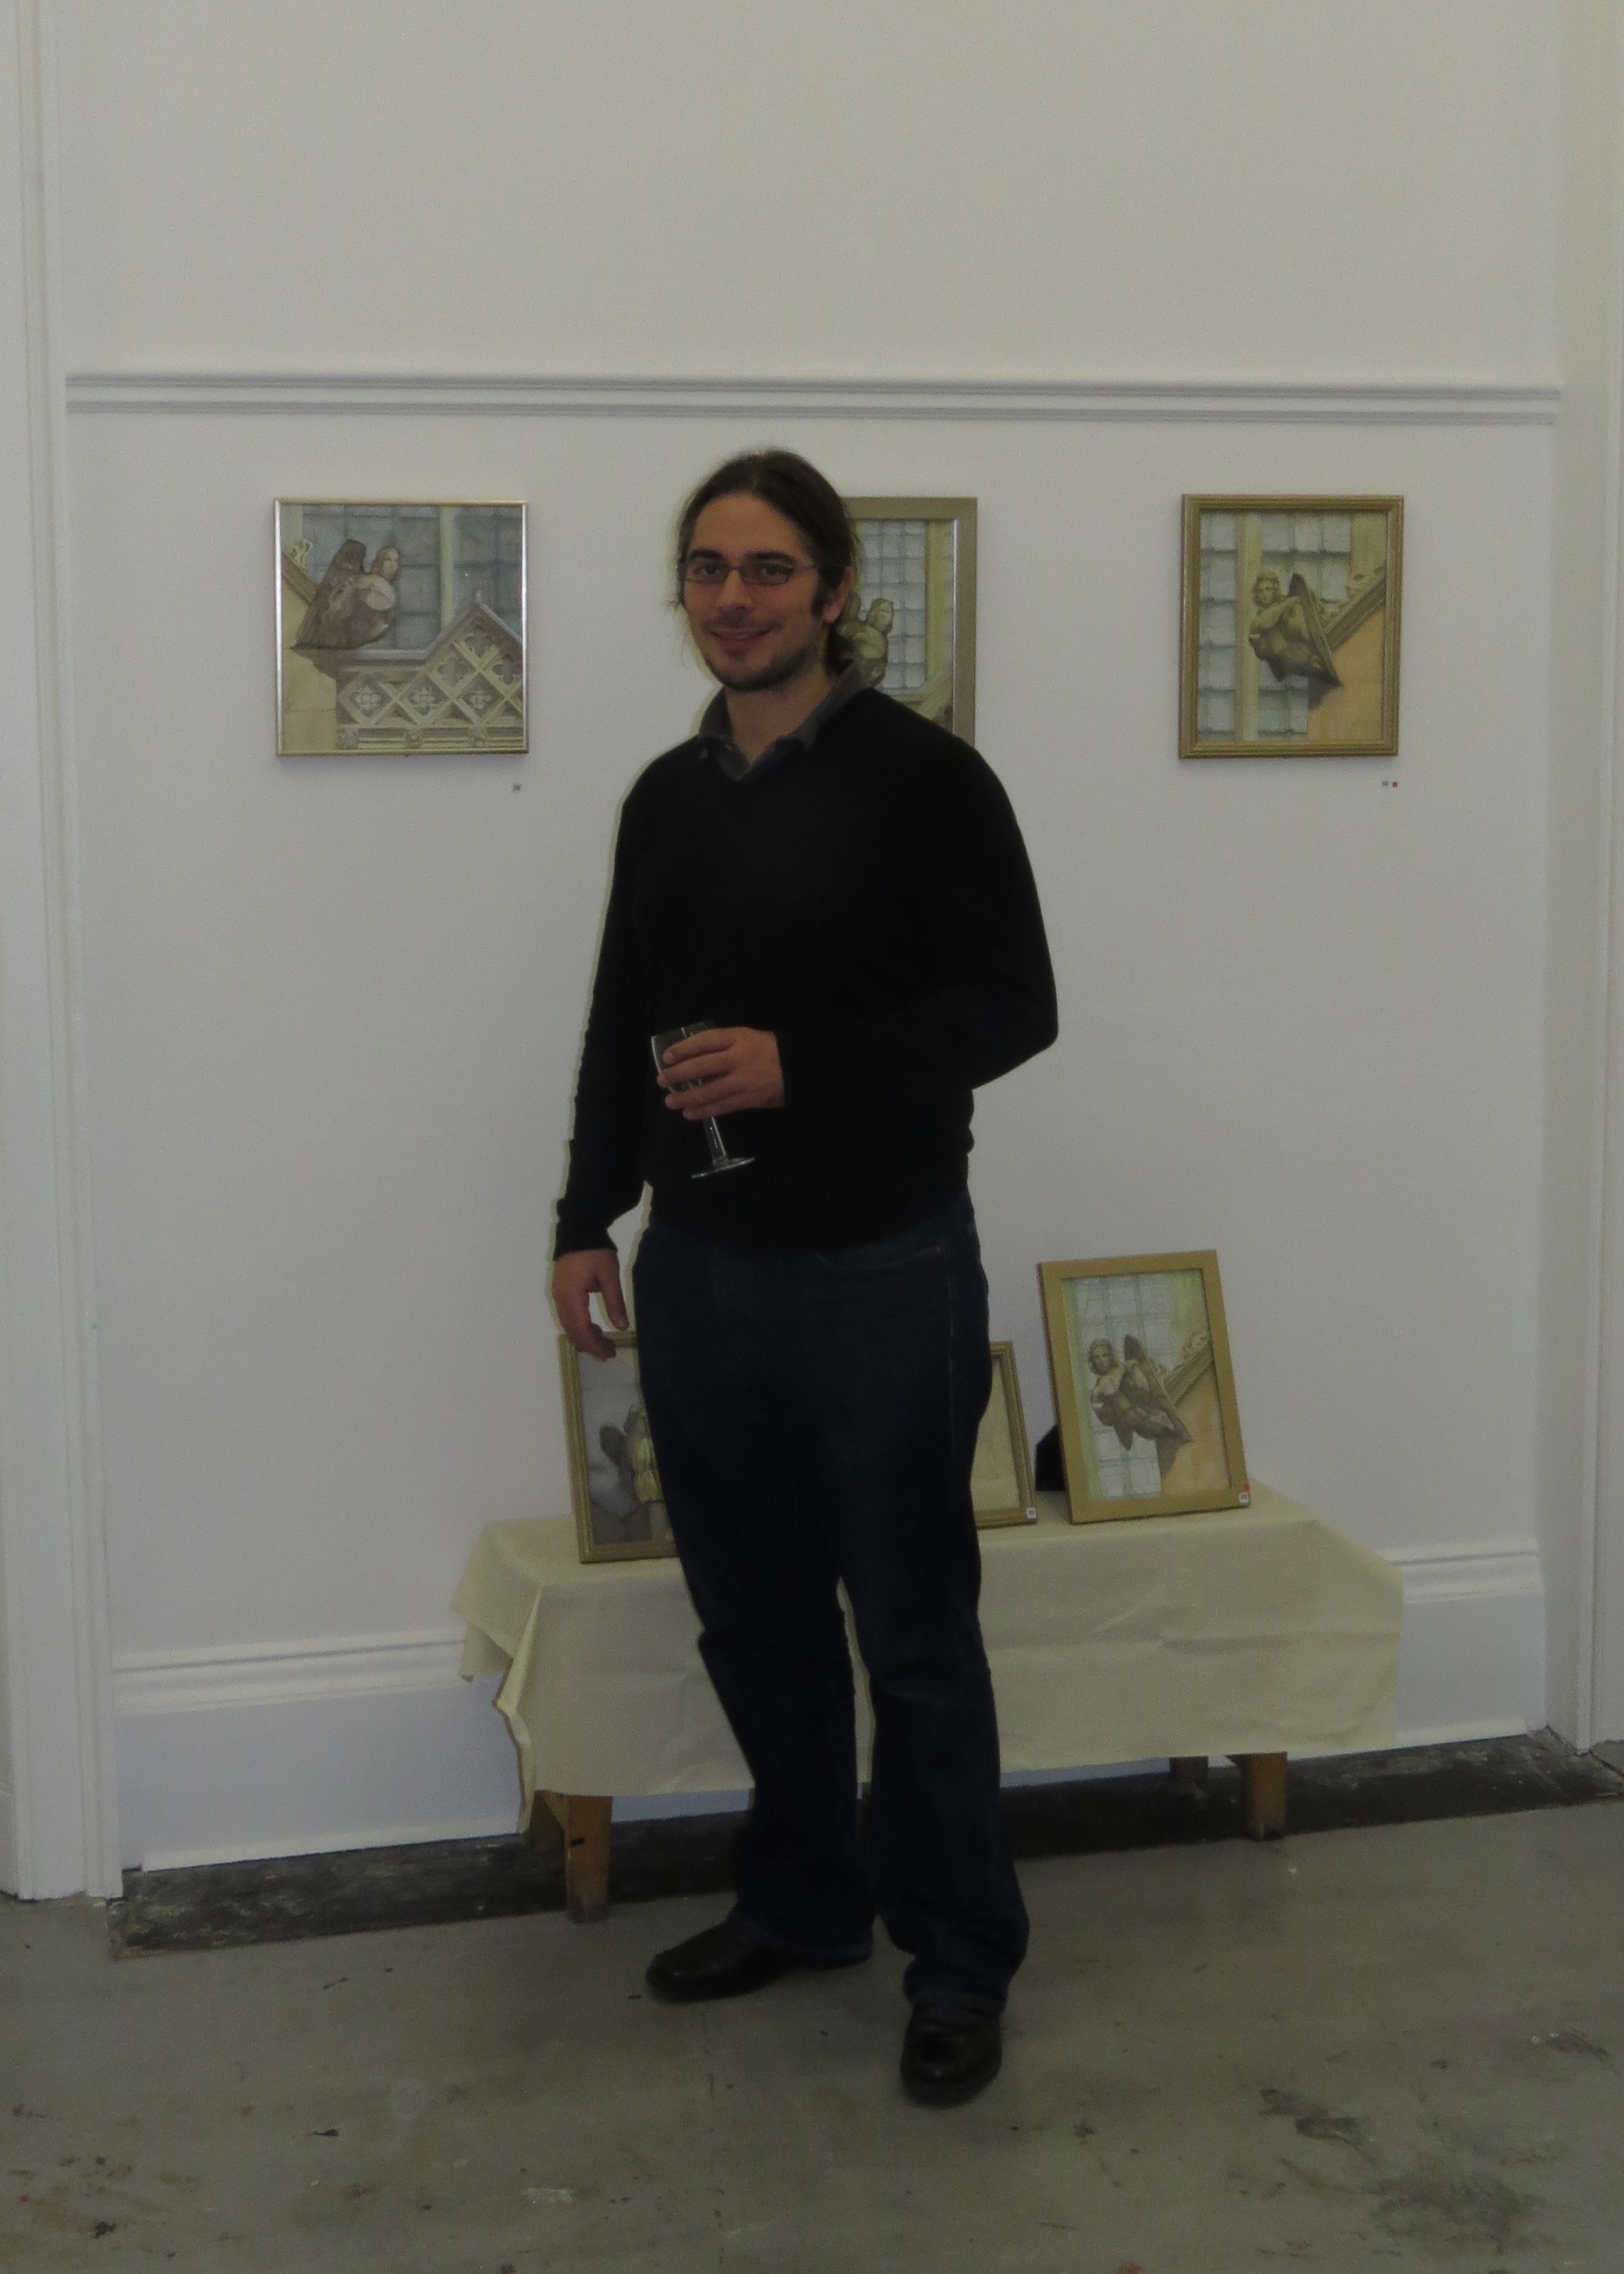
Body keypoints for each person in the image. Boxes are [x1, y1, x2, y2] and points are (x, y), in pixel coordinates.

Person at [551, 450, 1056, 2106]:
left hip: (881, 1275)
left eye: (768, 569)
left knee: (913, 1639)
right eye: (708, 568)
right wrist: (585, 1217)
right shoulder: (665, 797)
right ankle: (802, 1901)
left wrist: (799, 1067)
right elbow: (620, 1022)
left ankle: (959, 1956)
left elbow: (1014, 1006)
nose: (733, 598)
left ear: (835, 592)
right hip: (698, 1276)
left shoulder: (929, 781)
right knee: (755, 1623)